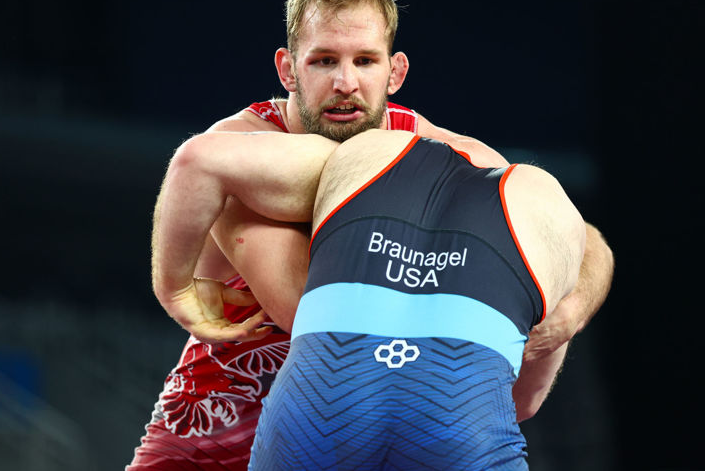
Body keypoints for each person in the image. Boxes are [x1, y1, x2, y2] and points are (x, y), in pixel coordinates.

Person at [129, 0, 613, 470]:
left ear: (395, 72)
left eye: (364, 61)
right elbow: (314, 315)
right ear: (288, 69)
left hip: (348, 434)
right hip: (212, 440)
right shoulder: (241, 153)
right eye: (324, 61)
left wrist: (569, 312)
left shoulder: (425, 144)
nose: (346, 82)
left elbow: (566, 230)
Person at [151, 128, 586, 469]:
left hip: (317, 413)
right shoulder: (550, 209)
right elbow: (526, 401)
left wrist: (176, 290)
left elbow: (197, 158)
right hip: (458, 424)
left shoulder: (363, 154)